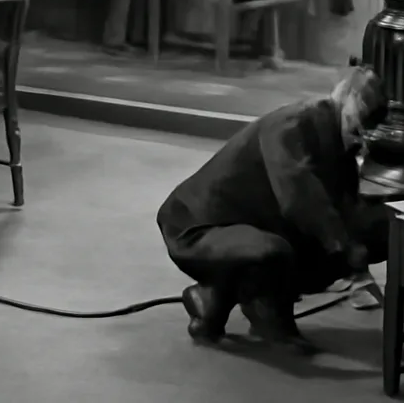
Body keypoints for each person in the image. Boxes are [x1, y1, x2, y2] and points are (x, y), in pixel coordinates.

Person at [156, 67, 389, 353]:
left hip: (252, 223)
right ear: (346, 101)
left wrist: (366, 241)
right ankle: (265, 309)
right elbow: (298, 199)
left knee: (374, 229)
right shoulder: (294, 124)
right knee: (273, 252)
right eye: (356, 130)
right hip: (197, 227)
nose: (359, 143)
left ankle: (215, 297)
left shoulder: (340, 141)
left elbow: (346, 205)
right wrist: (345, 246)